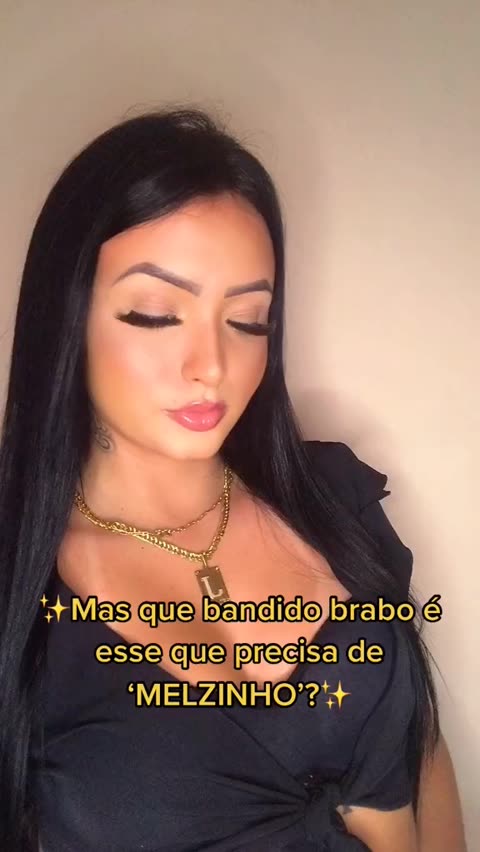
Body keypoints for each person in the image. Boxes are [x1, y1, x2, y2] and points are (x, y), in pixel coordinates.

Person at [0, 107, 465, 852]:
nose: (212, 366)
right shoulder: (20, 595)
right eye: (156, 314)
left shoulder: (331, 500)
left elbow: (425, 753)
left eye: (248, 320)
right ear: (68, 315)